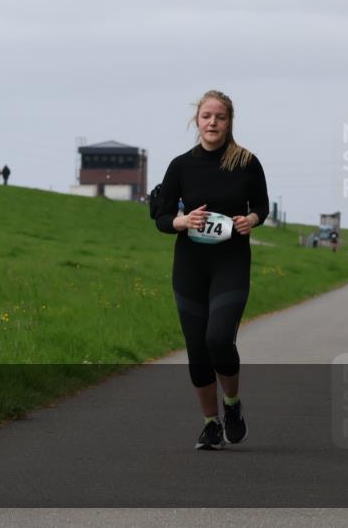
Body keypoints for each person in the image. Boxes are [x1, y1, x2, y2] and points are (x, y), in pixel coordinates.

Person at [154, 90, 269, 450]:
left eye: (220, 117)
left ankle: (232, 405)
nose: (213, 123)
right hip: (190, 265)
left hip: (231, 262)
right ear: (197, 120)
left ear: (229, 121)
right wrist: (181, 221)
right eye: (206, 116)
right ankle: (210, 424)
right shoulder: (180, 166)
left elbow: (262, 207)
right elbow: (160, 216)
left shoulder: (246, 162)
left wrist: (250, 219)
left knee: (218, 338)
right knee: (197, 349)